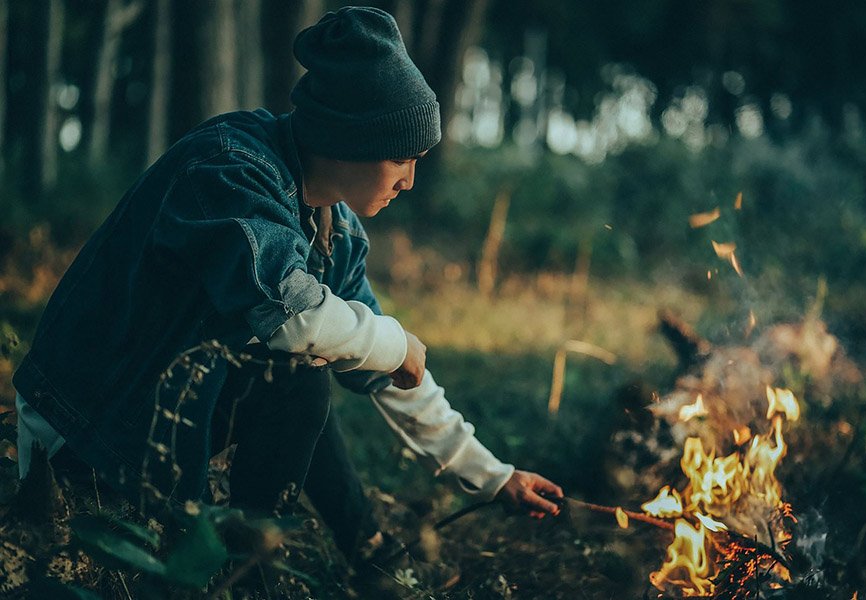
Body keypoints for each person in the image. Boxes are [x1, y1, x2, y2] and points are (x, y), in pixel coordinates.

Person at [13, 5, 562, 590]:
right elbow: (296, 321)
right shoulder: (229, 170)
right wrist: (392, 341)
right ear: (350, 139)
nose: (409, 181)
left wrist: (493, 474)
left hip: (163, 422)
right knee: (297, 372)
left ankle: (355, 555)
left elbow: (387, 368)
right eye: (401, 159)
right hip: (85, 431)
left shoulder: (334, 225)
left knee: (300, 372)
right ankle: (245, 578)